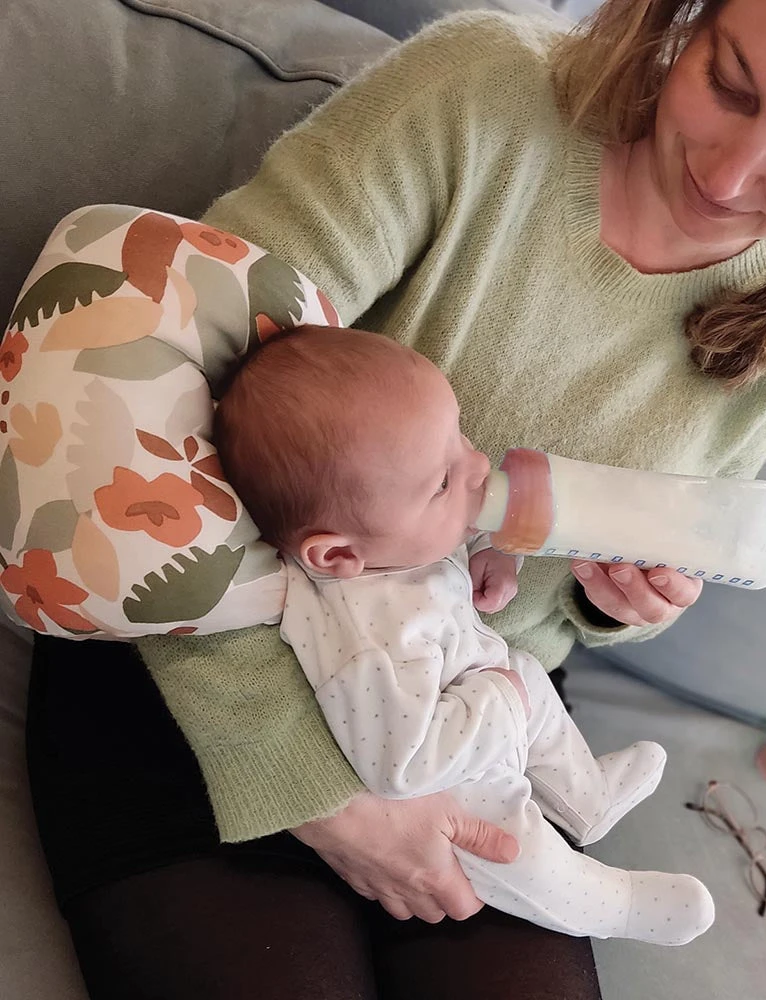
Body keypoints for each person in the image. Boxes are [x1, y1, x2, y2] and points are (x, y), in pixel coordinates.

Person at [25, 1, 766, 998]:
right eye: (727, 82)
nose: (727, 175)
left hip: (470, 710)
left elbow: (582, 605)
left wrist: (618, 603)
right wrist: (320, 793)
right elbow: (143, 422)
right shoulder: (481, 94)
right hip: (209, 660)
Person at [213, 323, 716, 946]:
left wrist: (493, 555)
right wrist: (501, 700)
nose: (478, 464)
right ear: (336, 555)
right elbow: (402, 765)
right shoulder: (367, 647)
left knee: (529, 675)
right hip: (450, 778)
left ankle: (586, 798)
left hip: (481, 693)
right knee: (514, 844)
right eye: (444, 482)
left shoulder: (386, 544)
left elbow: (438, 548)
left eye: (458, 436)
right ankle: (611, 905)